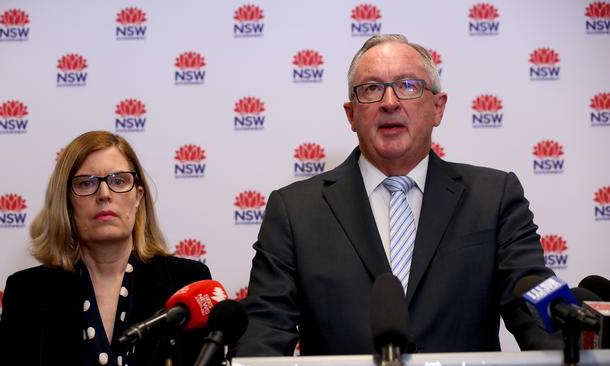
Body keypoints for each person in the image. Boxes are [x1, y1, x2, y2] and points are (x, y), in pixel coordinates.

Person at [232, 34, 560, 356]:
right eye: (372, 88)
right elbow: (265, 330)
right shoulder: (295, 211)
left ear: (437, 107)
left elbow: (536, 306)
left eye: (408, 85)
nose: (390, 102)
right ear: (351, 114)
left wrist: (573, 343)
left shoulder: (494, 198)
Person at [0, 131, 211, 366]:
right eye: (86, 183)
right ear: (67, 202)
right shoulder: (27, 292)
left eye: (118, 181)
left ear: (138, 197)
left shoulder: (188, 282)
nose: (104, 194)